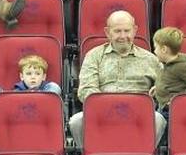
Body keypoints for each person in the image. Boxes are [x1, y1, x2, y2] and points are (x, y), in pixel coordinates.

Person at [69, 10, 164, 147]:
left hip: (139, 114)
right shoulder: (94, 56)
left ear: (135, 30)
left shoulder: (150, 59)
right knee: (76, 121)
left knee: (158, 119)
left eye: (127, 31)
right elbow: (86, 90)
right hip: (102, 112)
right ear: (107, 32)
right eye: (117, 31)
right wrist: (107, 107)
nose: (123, 36)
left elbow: (165, 87)